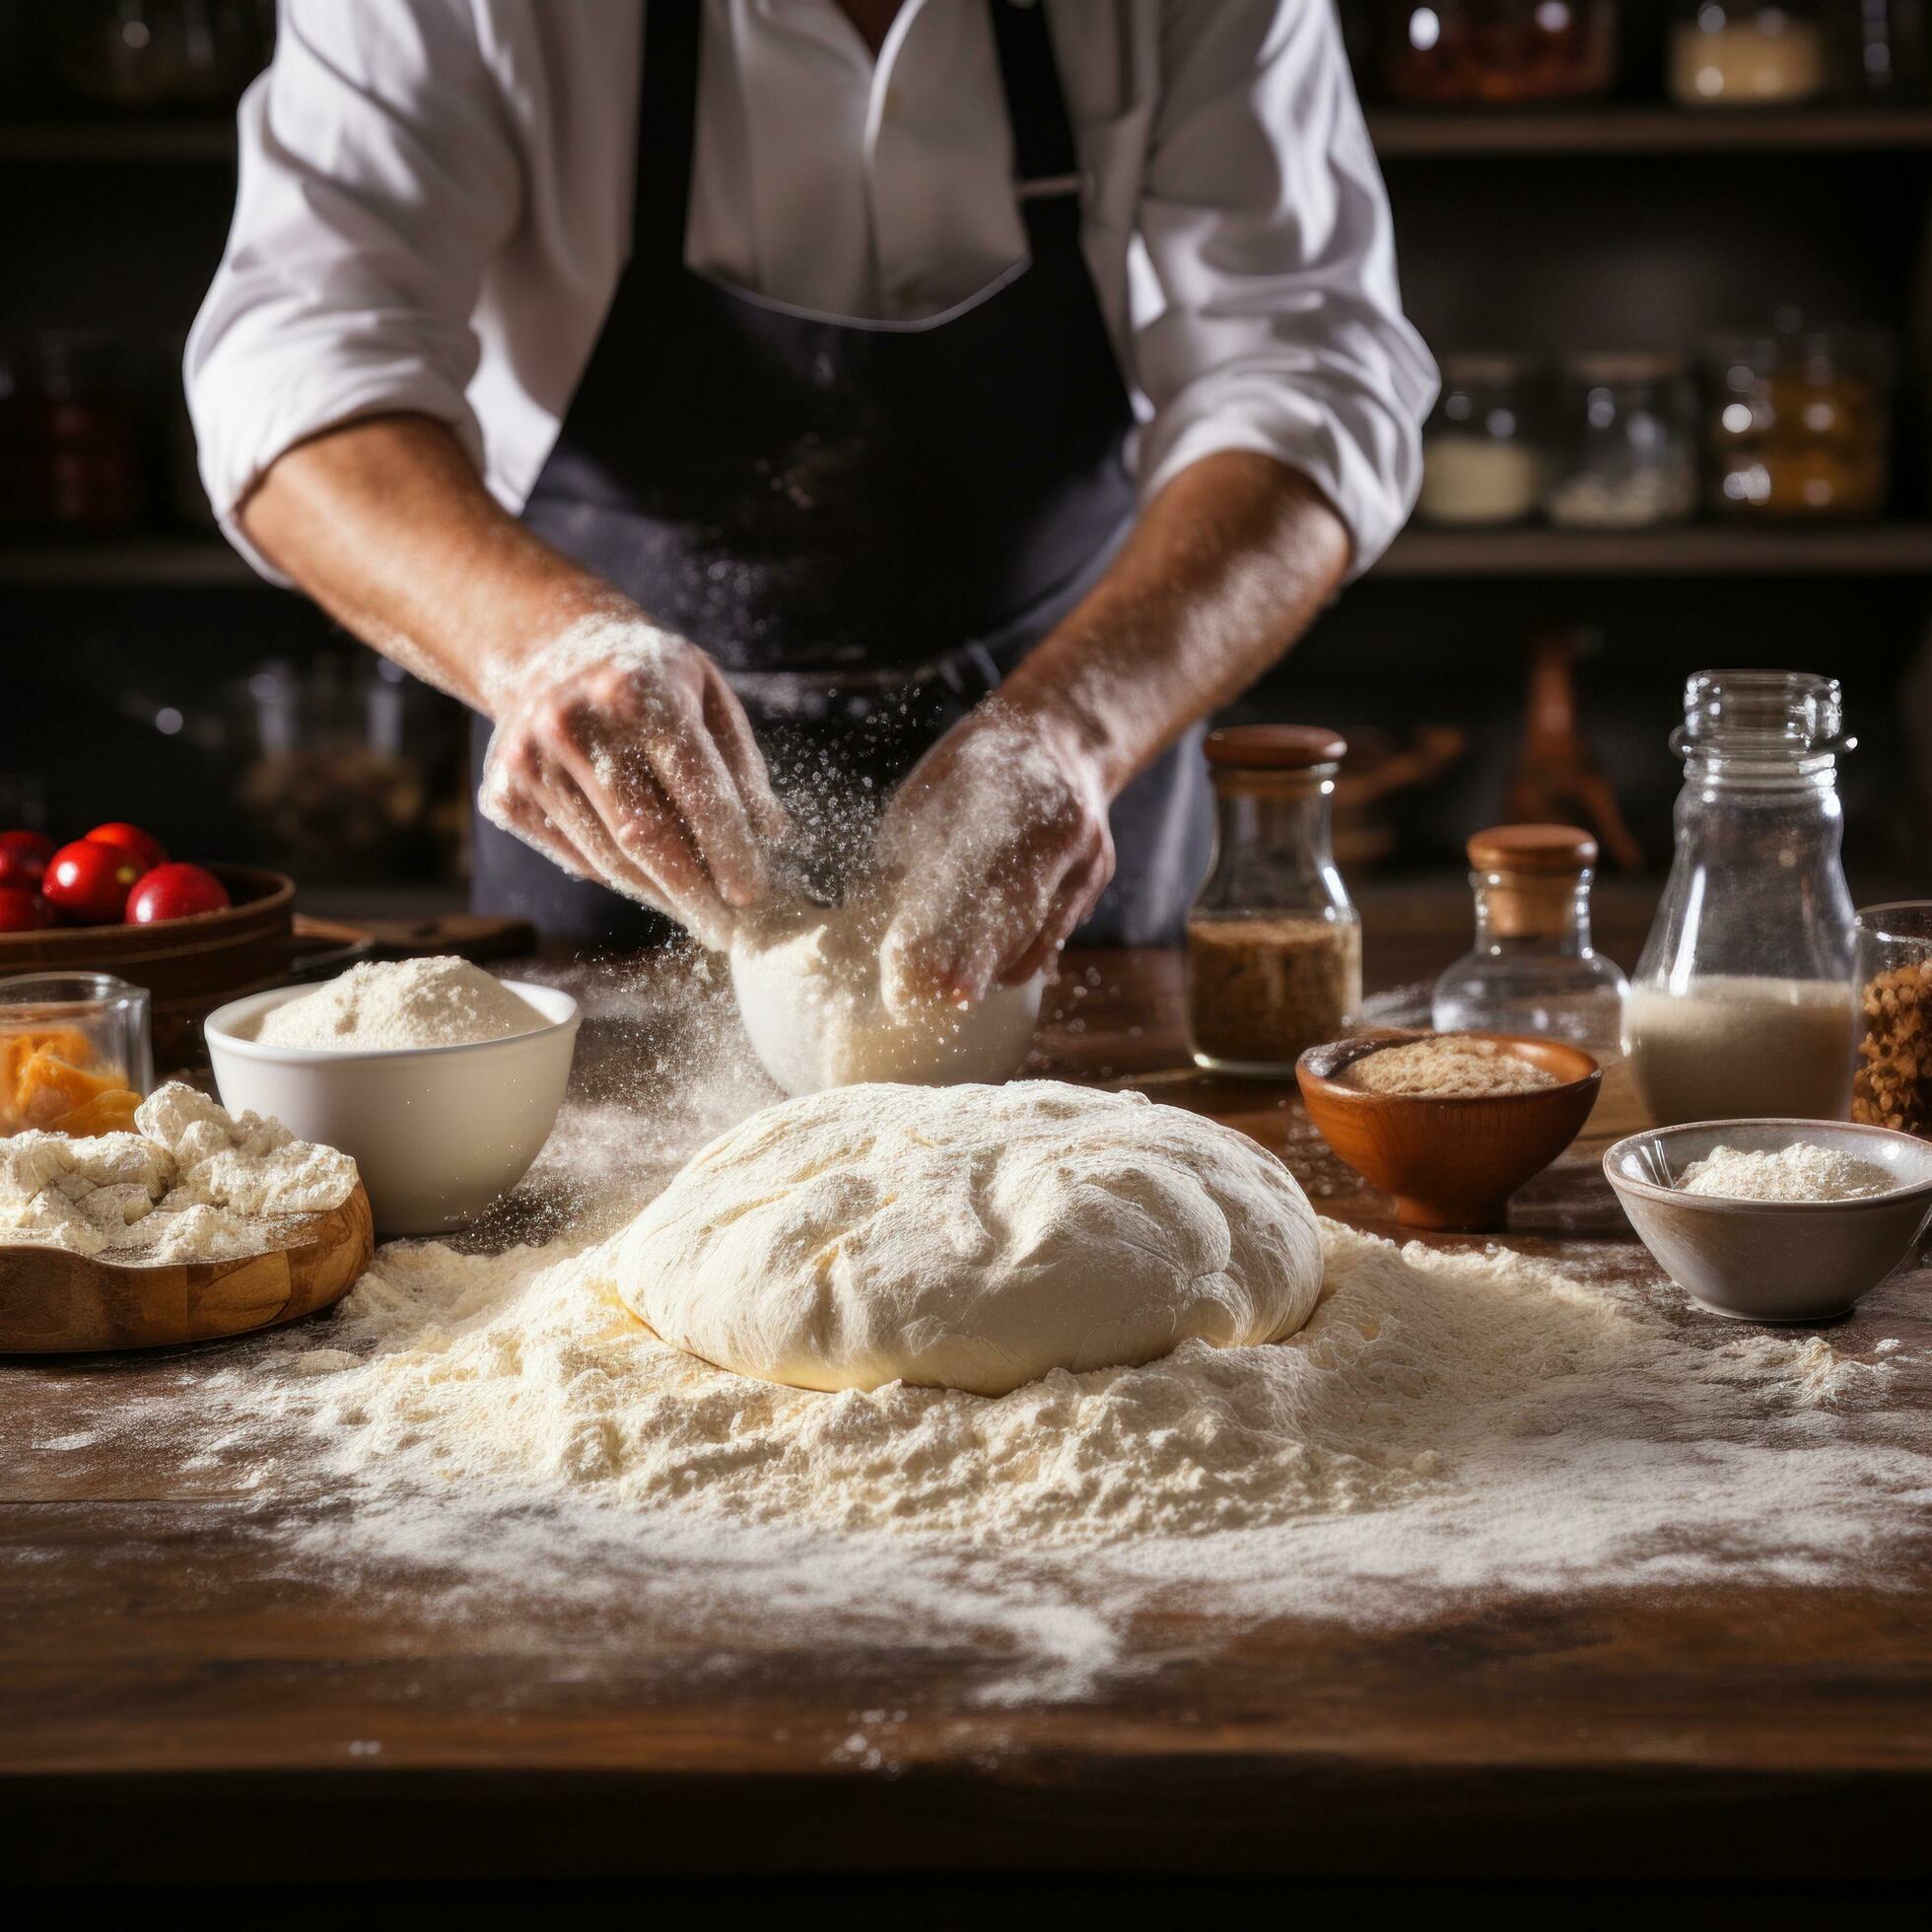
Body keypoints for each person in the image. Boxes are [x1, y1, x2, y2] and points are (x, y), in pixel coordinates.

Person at [188, 0, 1434, 1004]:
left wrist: (1074, 730)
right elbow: (297, 374)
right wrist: (545, 651)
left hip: (1057, 752)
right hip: (616, 775)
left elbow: (1305, 375)